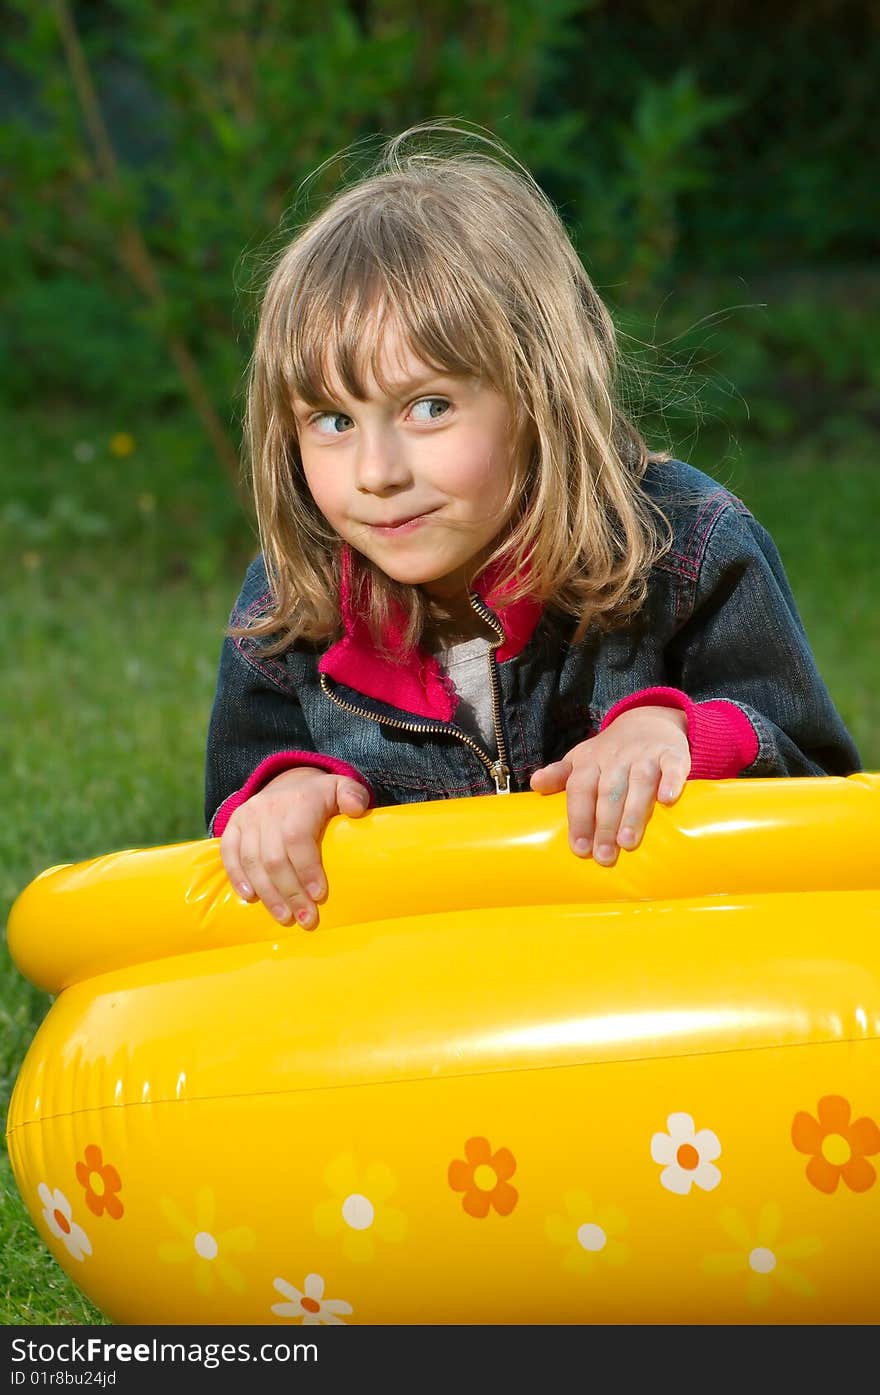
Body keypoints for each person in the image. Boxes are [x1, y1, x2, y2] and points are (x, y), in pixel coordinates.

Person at [205, 121, 861, 930]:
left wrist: (682, 736)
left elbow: (824, 799)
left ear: (537, 395)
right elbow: (234, 852)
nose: (377, 473)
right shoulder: (286, 612)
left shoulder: (685, 548)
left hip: (658, 990)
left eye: (429, 407)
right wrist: (279, 795)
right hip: (426, 1018)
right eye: (333, 421)